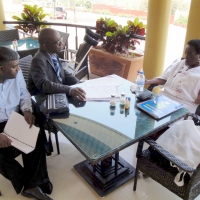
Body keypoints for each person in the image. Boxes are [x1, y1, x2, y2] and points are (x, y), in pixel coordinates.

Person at [0, 47, 53, 200]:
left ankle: (35, 183)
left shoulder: (17, 75)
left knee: (34, 137)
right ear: (1, 68)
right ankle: (28, 184)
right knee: (2, 157)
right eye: (14, 66)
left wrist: (27, 110)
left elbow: (24, 93)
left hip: (14, 118)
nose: (18, 68)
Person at [28, 28, 86, 101]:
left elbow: (62, 72)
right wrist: (69, 90)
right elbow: (44, 85)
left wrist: (77, 82)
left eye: (61, 39)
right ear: (45, 46)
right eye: (57, 42)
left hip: (57, 93)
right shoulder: (38, 60)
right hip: (45, 99)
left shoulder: (53, 54)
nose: (61, 43)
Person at [145, 39, 200, 114]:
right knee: (146, 112)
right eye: (186, 53)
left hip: (185, 105)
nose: (186, 57)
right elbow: (165, 78)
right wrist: (148, 81)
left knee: (172, 123)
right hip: (165, 97)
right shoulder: (180, 63)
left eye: (190, 54)